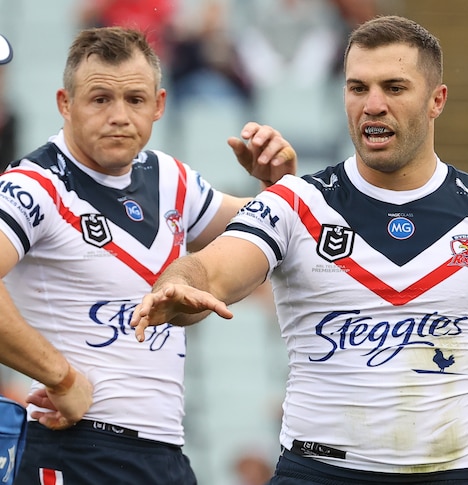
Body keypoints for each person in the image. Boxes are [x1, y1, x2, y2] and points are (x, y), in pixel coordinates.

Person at [130, 15, 468, 485]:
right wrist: (178, 285)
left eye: (394, 88)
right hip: (316, 473)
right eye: (358, 88)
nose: (373, 105)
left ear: (437, 100)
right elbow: (211, 272)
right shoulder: (297, 202)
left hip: (445, 475)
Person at [0, 26, 296, 484]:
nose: (119, 115)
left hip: (163, 455)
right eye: (100, 99)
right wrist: (61, 378)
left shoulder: (168, 177)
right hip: (69, 449)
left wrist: (278, 188)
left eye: (135, 100)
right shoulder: (34, 185)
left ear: (158, 105)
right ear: (65, 103)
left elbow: (270, 237)